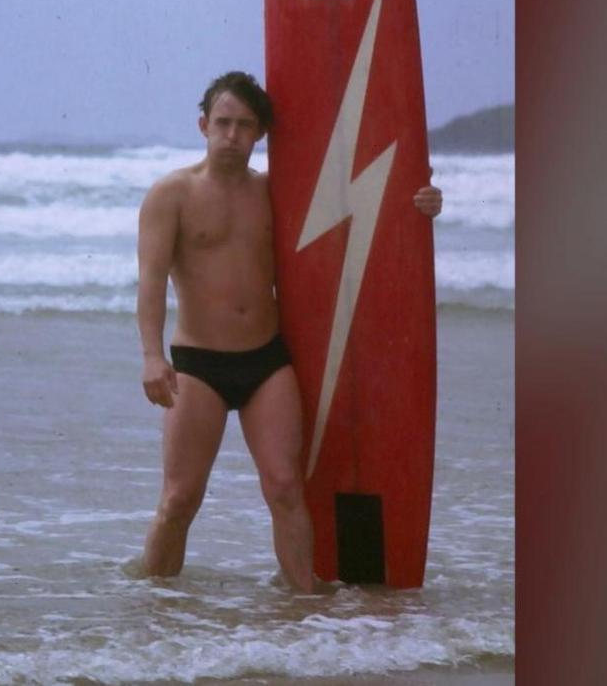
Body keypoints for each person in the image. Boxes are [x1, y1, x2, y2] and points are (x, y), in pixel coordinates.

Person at [135, 71, 441, 592]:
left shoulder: (279, 192)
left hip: (265, 361)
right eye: (224, 123)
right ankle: (154, 606)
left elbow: (358, 211)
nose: (232, 135)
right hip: (198, 364)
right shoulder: (171, 194)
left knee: (283, 487)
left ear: (260, 134)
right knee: (180, 498)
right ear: (203, 124)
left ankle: (304, 611)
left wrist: (421, 202)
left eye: (245, 126)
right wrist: (151, 356)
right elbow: (151, 280)